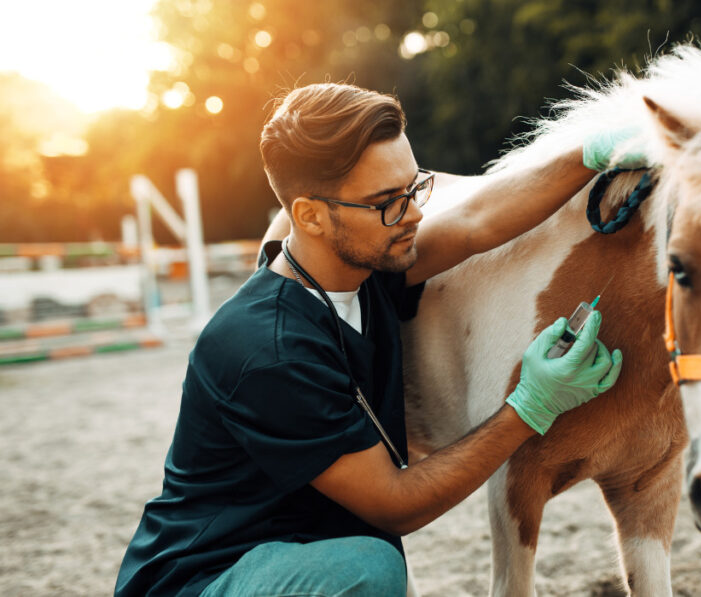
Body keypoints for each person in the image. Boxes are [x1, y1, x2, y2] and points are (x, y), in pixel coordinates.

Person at [114, 82, 634, 597]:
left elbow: (477, 221)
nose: (413, 214)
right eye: (387, 201)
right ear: (311, 216)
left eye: (413, 188)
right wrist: (530, 405)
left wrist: (590, 155)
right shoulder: (268, 350)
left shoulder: (364, 265)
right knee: (369, 570)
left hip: (294, 551)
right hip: (206, 579)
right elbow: (395, 505)